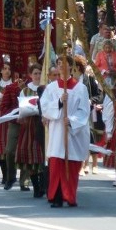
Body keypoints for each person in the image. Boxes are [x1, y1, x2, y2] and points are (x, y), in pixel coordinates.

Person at [40, 55, 90, 208]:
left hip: (71, 132)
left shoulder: (80, 88)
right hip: (57, 130)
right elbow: (45, 107)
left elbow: (84, 111)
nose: (61, 66)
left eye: (64, 63)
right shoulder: (51, 87)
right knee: (56, 164)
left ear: (70, 66)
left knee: (71, 164)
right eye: (59, 63)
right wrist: (60, 102)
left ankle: (69, 195)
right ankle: (56, 196)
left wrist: (72, 120)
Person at [15, 63, 45, 197]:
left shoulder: (47, 88)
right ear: (30, 75)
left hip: (44, 124)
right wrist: (21, 117)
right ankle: (36, 186)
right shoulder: (25, 91)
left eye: (39, 73)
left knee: (43, 156)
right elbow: (22, 108)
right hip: (29, 125)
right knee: (32, 156)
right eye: (35, 73)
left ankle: (43, 184)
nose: (38, 76)